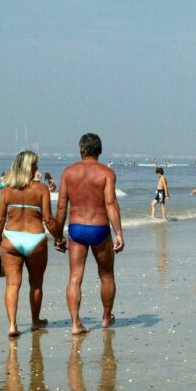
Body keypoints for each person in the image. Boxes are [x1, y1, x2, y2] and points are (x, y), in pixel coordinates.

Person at [55, 133, 124, 335]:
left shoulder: (68, 173)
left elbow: (61, 207)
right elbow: (111, 204)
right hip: (99, 228)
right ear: (100, 151)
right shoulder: (106, 173)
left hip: (76, 228)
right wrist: (119, 233)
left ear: (80, 149)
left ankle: (76, 323)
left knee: (75, 277)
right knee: (106, 275)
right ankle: (105, 318)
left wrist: (58, 235)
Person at [0, 151, 61, 337]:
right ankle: (35, 321)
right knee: (36, 284)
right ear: (29, 167)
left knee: (12, 284)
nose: (37, 169)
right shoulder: (41, 189)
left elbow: (0, 220)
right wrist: (58, 238)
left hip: (11, 239)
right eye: (35, 166)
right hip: (35, 239)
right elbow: (48, 219)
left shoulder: (6, 190)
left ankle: (12, 325)